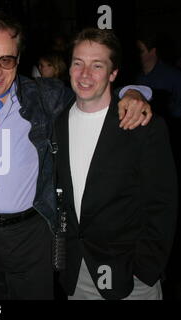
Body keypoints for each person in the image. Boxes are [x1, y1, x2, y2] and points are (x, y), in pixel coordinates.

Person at [0, 11, 152, 300]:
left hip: (31, 232)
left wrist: (133, 92)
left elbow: (93, 93)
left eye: (7, 60)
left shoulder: (45, 96)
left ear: (18, 60)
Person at [55, 28, 178, 300]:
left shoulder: (143, 126)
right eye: (78, 63)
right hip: (75, 273)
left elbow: (162, 204)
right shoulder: (59, 122)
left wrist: (144, 270)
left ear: (113, 73)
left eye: (97, 65)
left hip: (129, 278)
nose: (85, 74)